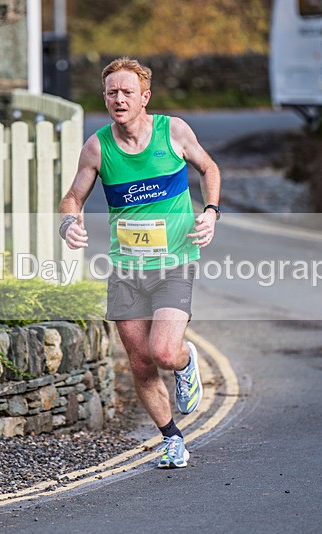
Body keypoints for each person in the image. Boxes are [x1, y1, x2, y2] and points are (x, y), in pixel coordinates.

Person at [59, 57, 221, 468]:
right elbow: (73, 197)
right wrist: (68, 225)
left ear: (144, 97)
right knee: (140, 361)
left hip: (174, 262)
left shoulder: (174, 132)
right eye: (112, 92)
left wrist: (211, 211)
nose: (119, 99)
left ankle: (186, 363)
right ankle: (172, 439)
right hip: (126, 268)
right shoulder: (98, 146)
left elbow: (209, 168)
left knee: (164, 352)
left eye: (127, 92)